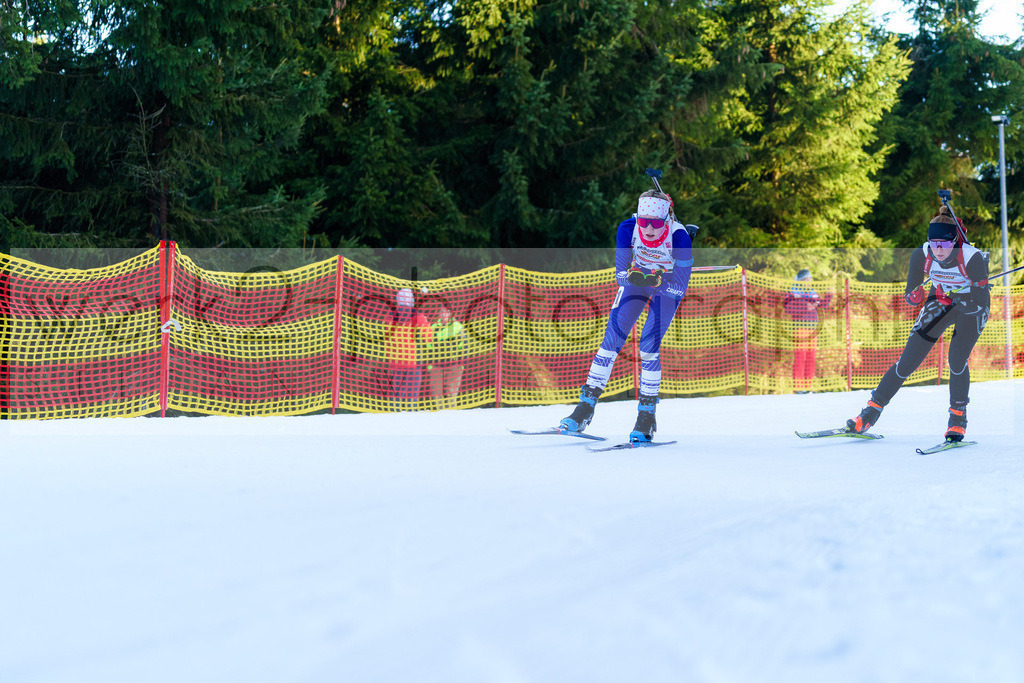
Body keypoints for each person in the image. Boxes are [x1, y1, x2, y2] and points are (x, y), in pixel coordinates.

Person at [559, 188, 696, 442]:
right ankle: (584, 409)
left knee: (648, 346)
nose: (649, 229)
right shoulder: (627, 228)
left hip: (666, 287)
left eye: (655, 223)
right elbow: (620, 274)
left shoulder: (679, 237)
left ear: (666, 219)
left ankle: (646, 418)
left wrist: (657, 280)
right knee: (611, 340)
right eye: (644, 222)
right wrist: (637, 276)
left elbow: (679, 286)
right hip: (638, 280)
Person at [847, 204, 990, 441]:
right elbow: (910, 292)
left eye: (944, 244)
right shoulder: (921, 255)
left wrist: (957, 297)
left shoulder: (972, 258)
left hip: (970, 307)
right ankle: (869, 414)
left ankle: (957, 421)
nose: (939, 249)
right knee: (907, 362)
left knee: (956, 359)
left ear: (955, 241)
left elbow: (980, 301)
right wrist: (913, 296)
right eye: (934, 243)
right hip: (939, 301)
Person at [783, 269, 830, 393]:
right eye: (806, 279)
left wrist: (829, 295)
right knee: (800, 356)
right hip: (800, 328)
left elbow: (821, 307)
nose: (809, 281)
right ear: (800, 280)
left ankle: (808, 387)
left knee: (811, 357)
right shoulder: (793, 292)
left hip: (813, 329)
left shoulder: (813, 293)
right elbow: (788, 308)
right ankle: (798, 388)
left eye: (810, 279)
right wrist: (806, 307)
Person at [386, 288, 433, 411]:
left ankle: (393, 417)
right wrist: (427, 324)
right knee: (412, 395)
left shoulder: (391, 317)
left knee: (396, 394)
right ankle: (411, 419)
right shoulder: (418, 316)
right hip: (414, 362)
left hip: (395, 361)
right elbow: (428, 337)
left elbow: (387, 340)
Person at [426, 305, 467, 410]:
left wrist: (462, 364)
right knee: (436, 394)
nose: (444, 314)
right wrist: (430, 366)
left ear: (451, 314)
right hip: (437, 365)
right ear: (439, 314)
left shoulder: (458, 326)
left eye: (446, 312)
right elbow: (428, 347)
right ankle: (440, 418)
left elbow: (464, 346)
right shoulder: (433, 327)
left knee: (451, 394)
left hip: (454, 365)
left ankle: (451, 416)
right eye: (442, 312)